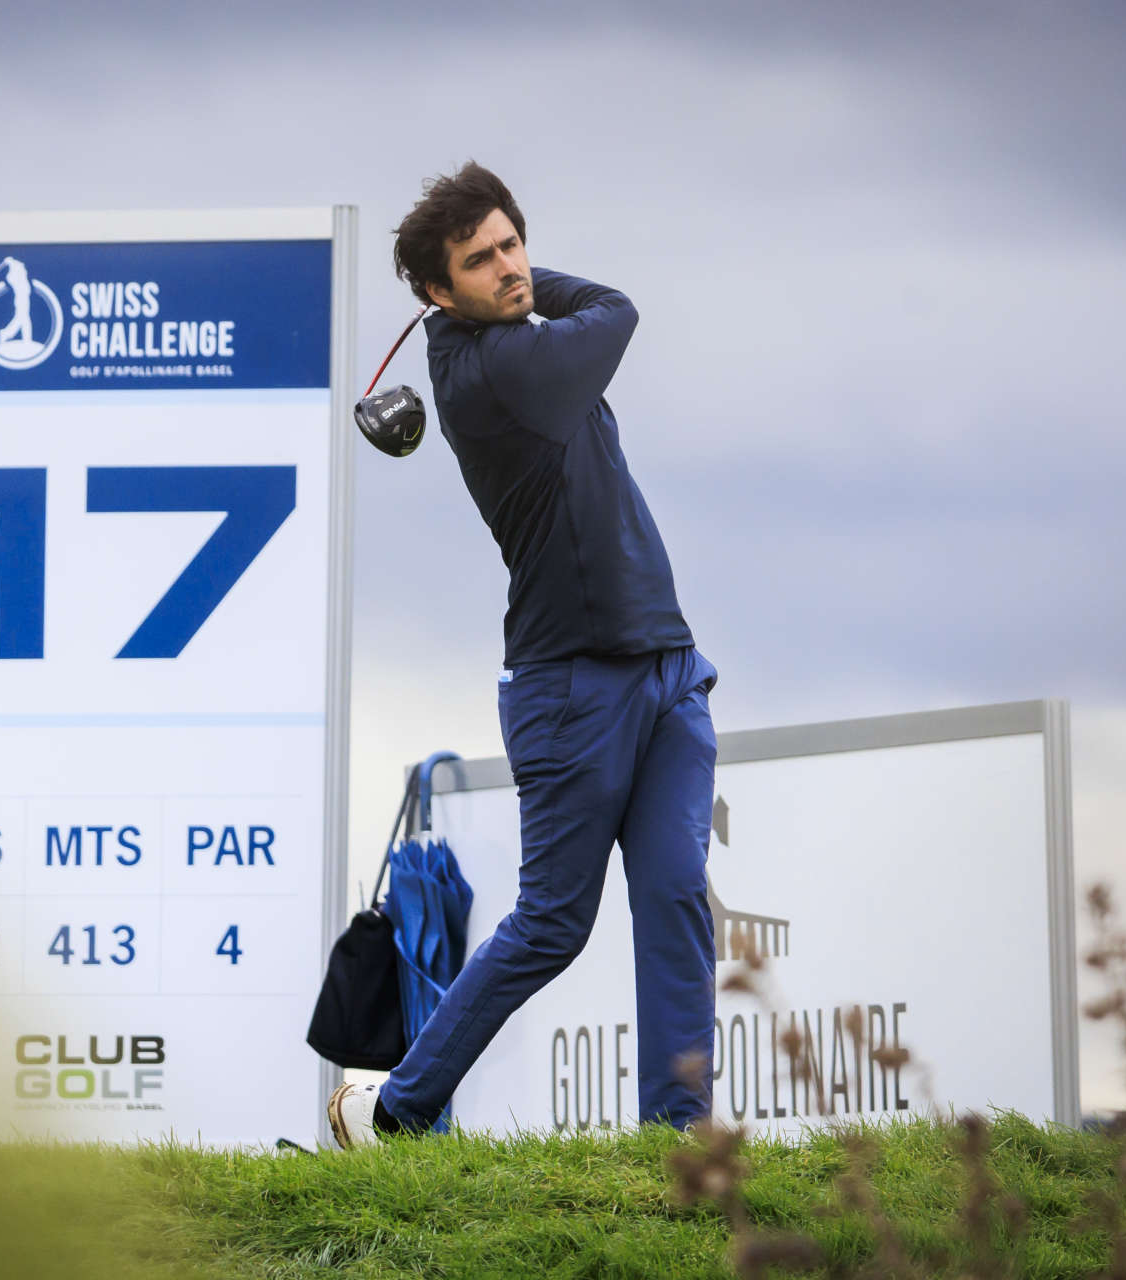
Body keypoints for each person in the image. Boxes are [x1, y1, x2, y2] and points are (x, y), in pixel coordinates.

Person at [328, 162, 719, 1147]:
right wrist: (536, 293)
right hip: (570, 688)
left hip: (667, 667)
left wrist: (515, 289)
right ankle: (393, 1109)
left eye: (514, 244)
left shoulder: (507, 338)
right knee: (552, 924)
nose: (509, 267)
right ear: (435, 292)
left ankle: (676, 1137)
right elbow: (618, 311)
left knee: (675, 895)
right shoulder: (502, 372)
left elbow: (578, 311)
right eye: (481, 259)